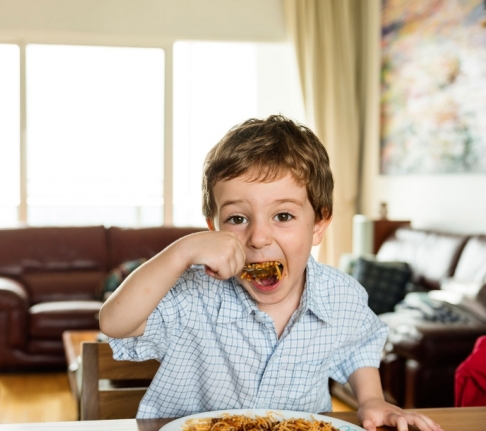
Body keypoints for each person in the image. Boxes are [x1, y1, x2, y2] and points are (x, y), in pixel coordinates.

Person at [99, 115, 442, 431]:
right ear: (213, 228)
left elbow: (359, 345)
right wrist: (182, 251)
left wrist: (371, 400)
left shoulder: (340, 295)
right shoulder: (194, 292)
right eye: (237, 219)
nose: (259, 238)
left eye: (283, 216)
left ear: (319, 224)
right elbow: (114, 322)